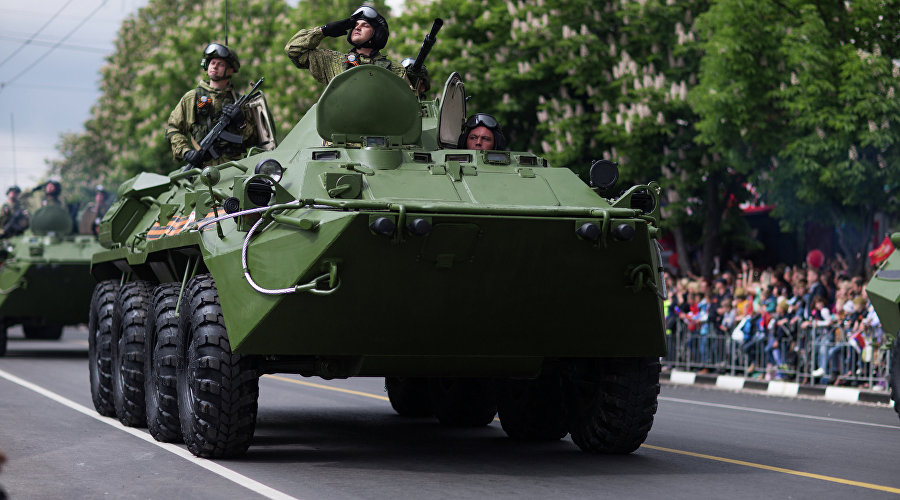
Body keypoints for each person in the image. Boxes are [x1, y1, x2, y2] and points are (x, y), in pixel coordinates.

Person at [285, 6, 427, 92]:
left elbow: (407, 106)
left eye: (365, 25)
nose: (357, 27)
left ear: (377, 34)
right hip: (339, 138)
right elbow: (293, 49)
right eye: (355, 25)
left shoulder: (394, 70)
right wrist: (324, 31)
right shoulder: (331, 61)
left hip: (382, 138)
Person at [165, 43, 258, 167]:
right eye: (212, 63)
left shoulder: (240, 102)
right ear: (206, 65)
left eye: (220, 64)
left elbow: (255, 140)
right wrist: (185, 152)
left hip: (235, 168)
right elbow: (173, 129)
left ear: (230, 70)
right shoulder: (192, 98)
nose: (215, 67)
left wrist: (241, 123)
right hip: (203, 170)